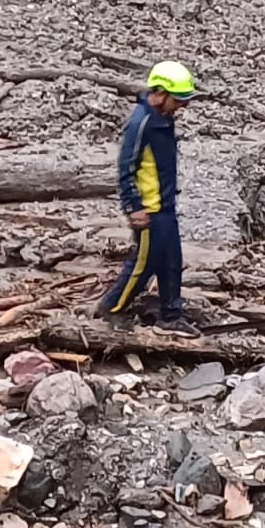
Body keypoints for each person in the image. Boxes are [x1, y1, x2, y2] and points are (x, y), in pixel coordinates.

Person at [96, 61, 201, 338]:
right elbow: (126, 167)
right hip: (148, 210)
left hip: (165, 207)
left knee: (171, 261)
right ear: (160, 93)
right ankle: (112, 308)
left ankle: (171, 315)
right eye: (178, 100)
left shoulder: (163, 119)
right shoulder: (141, 122)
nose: (183, 106)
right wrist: (133, 207)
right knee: (143, 266)